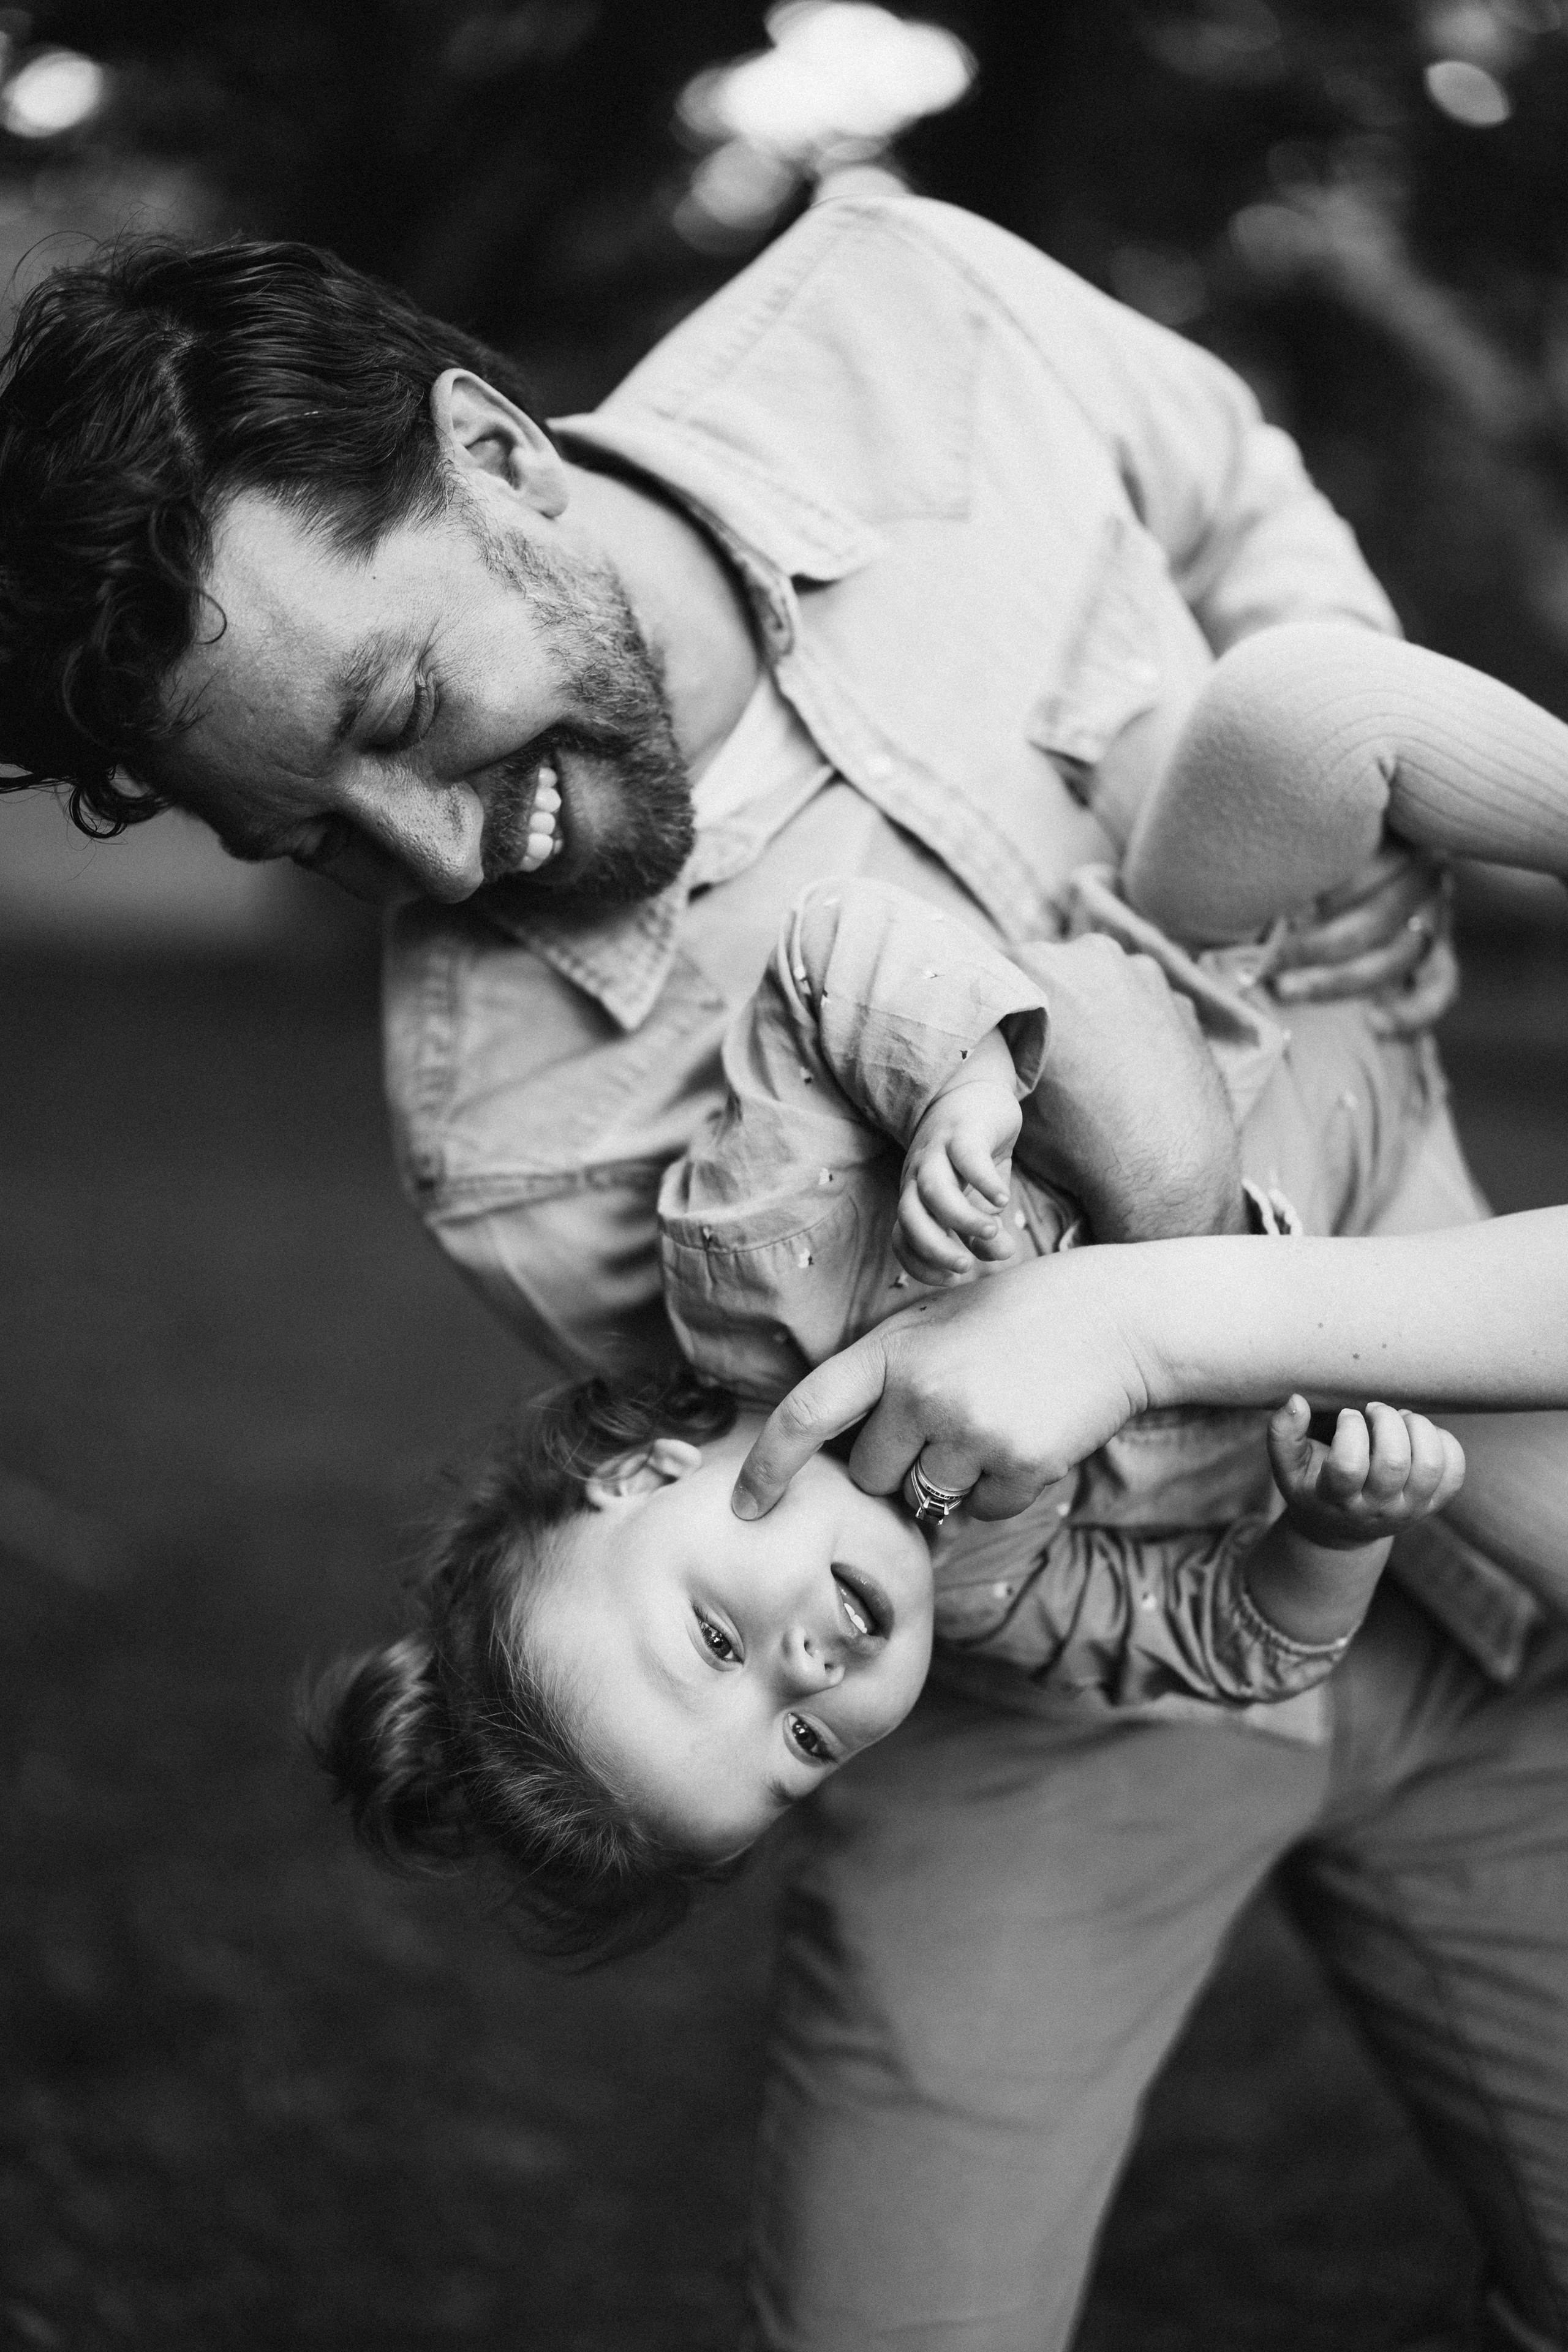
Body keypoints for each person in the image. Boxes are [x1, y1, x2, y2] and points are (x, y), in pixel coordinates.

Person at [2, 198, 1561, 2350]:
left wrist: (1370, 840)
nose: (440, 864)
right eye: (320, 838)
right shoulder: (513, 1140)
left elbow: (1235, 496)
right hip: (1079, 1677)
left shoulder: (905, 315)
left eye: (405, 707)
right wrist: (1210, 1456)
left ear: (503, 456)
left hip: (1404, 1365)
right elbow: (900, 1592)